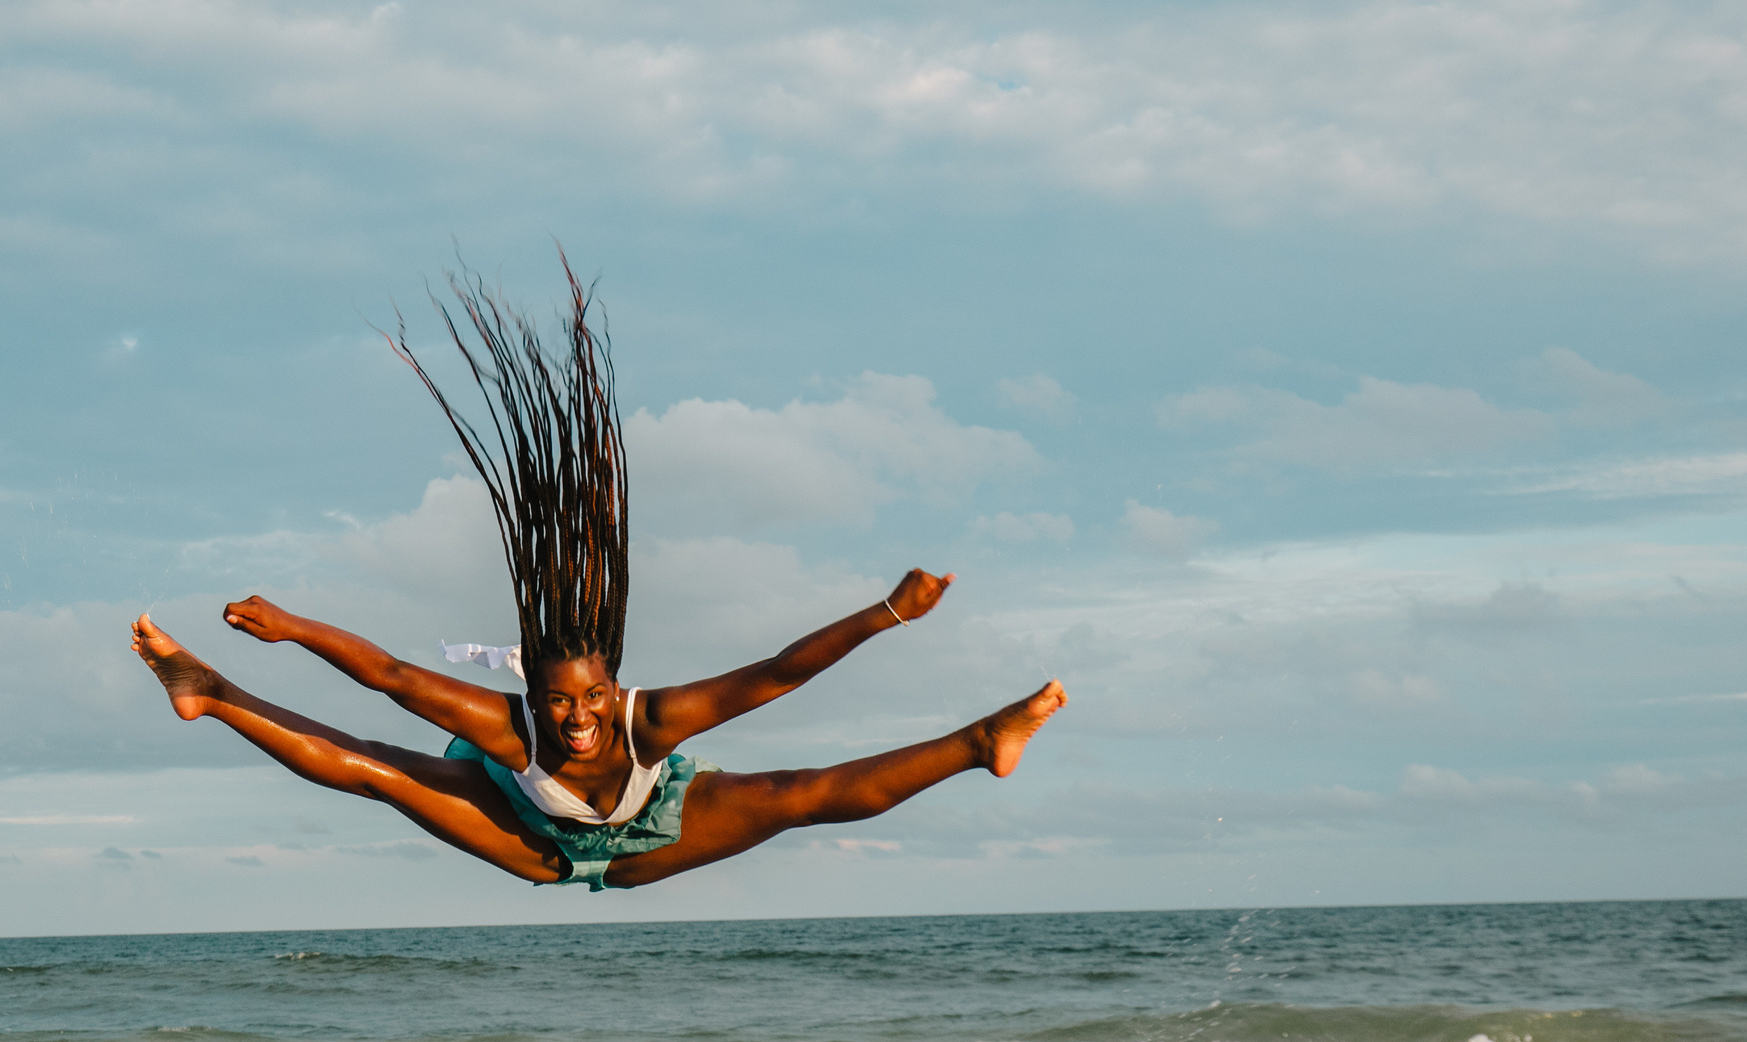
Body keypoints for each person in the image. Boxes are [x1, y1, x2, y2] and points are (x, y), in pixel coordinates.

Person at [131, 258, 1064, 890]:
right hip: (532, 844)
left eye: (585, 701)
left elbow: (780, 673)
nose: (574, 723)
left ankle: (981, 739)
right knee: (377, 770)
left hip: (643, 843)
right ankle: (209, 690)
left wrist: (889, 613)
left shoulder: (648, 721)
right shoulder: (512, 727)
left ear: (611, 685)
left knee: (798, 797)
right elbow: (392, 678)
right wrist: (295, 627)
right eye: (557, 705)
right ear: (533, 697)